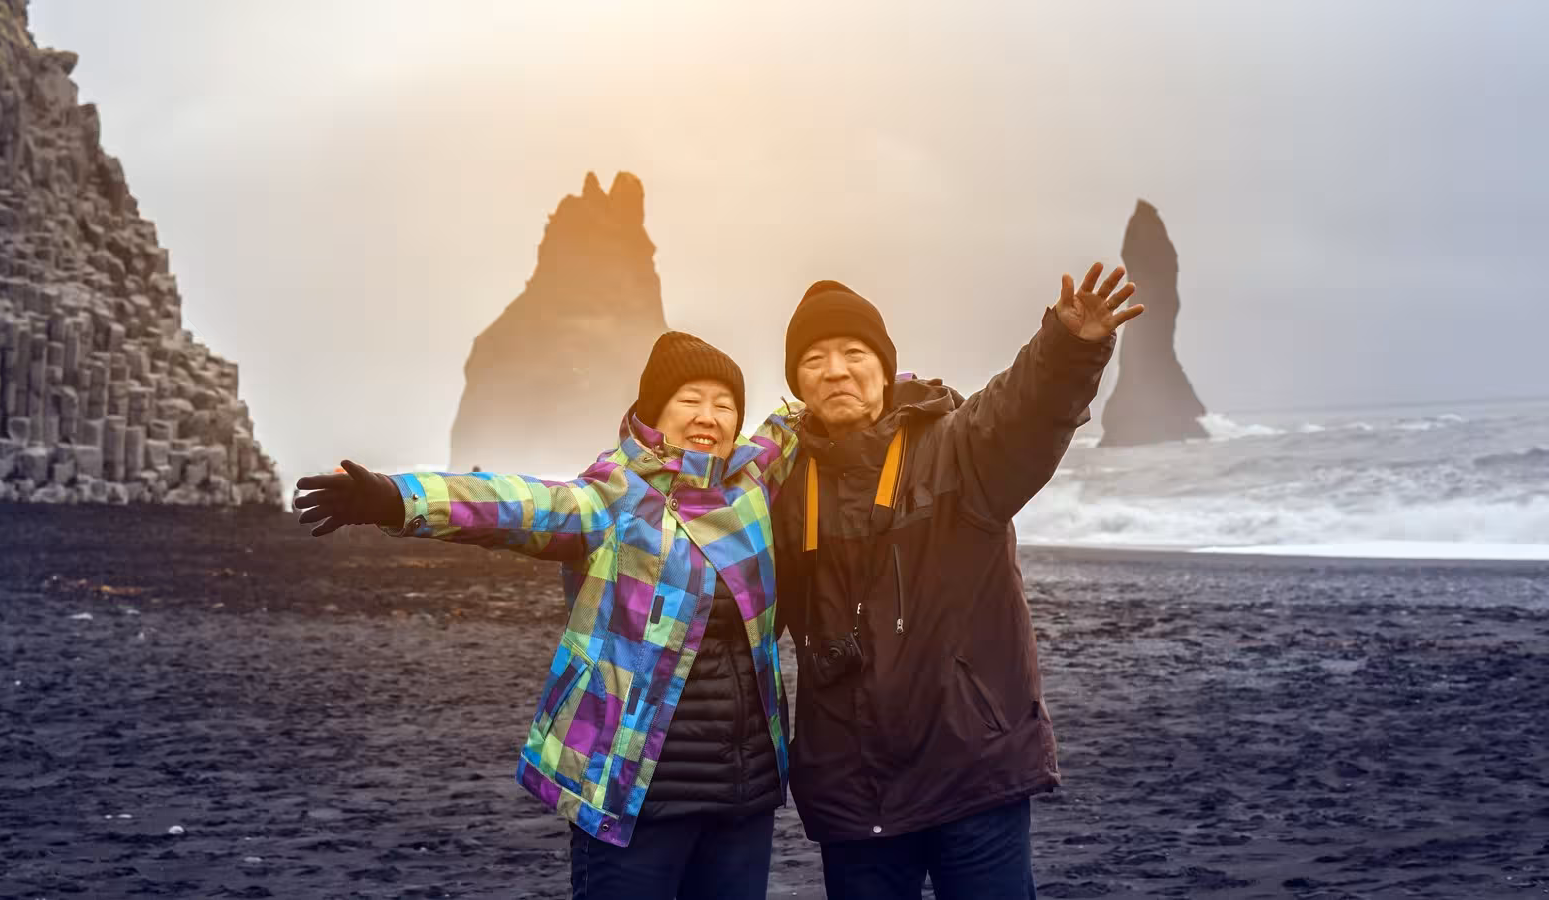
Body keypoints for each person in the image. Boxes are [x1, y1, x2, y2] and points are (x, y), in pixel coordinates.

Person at [293, 332, 801, 900]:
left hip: (741, 794)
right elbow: (517, 502)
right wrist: (399, 497)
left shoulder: (753, 483)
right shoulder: (613, 497)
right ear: (655, 411)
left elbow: (823, 407)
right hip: (630, 788)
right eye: (690, 399)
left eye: (724, 403)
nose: (708, 415)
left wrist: (906, 390)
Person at [774, 263, 1143, 899]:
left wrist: (1069, 345)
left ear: (884, 367)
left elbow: (1023, 409)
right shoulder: (780, 485)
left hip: (973, 767)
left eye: (853, 353)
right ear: (797, 381)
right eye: (814, 358)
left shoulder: (958, 449)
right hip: (850, 786)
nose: (835, 370)